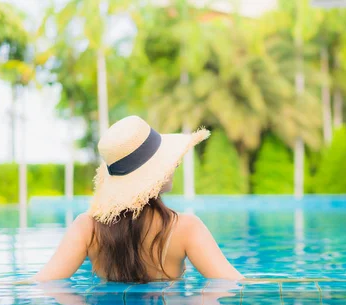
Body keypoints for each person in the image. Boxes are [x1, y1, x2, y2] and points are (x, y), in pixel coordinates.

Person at [34, 116, 243, 283]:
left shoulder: (87, 228)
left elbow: (44, 283)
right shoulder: (186, 228)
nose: (174, 165)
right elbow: (233, 284)